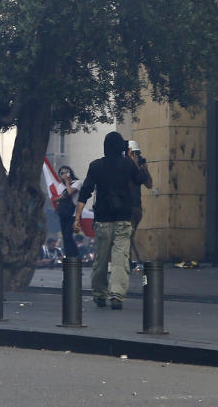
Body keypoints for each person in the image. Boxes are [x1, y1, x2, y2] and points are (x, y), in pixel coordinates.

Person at [74, 131, 148, 310]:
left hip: (103, 219)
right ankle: (116, 294)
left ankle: (99, 293)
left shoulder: (96, 166)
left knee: (101, 258)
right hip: (123, 217)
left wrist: (77, 218)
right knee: (120, 258)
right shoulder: (127, 164)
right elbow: (140, 179)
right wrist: (133, 160)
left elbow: (86, 191)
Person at [126, 140, 153, 268]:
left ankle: (129, 261)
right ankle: (130, 261)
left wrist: (145, 170)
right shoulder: (124, 167)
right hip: (126, 208)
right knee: (127, 236)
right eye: (133, 153)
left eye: (137, 153)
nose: (136, 156)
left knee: (129, 236)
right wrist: (135, 168)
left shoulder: (139, 170)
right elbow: (130, 184)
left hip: (136, 208)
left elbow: (149, 184)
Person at [57, 166, 82, 258]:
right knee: (65, 236)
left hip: (74, 214)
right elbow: (62, 197)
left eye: (65, 172)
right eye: (61, 173)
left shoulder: (77, 183)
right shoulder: (60, 186)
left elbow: (70, 192)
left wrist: (67, 181)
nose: (63, 174)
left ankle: (75, 255)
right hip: (64, 213)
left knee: (68, 234)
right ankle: (69, 256)